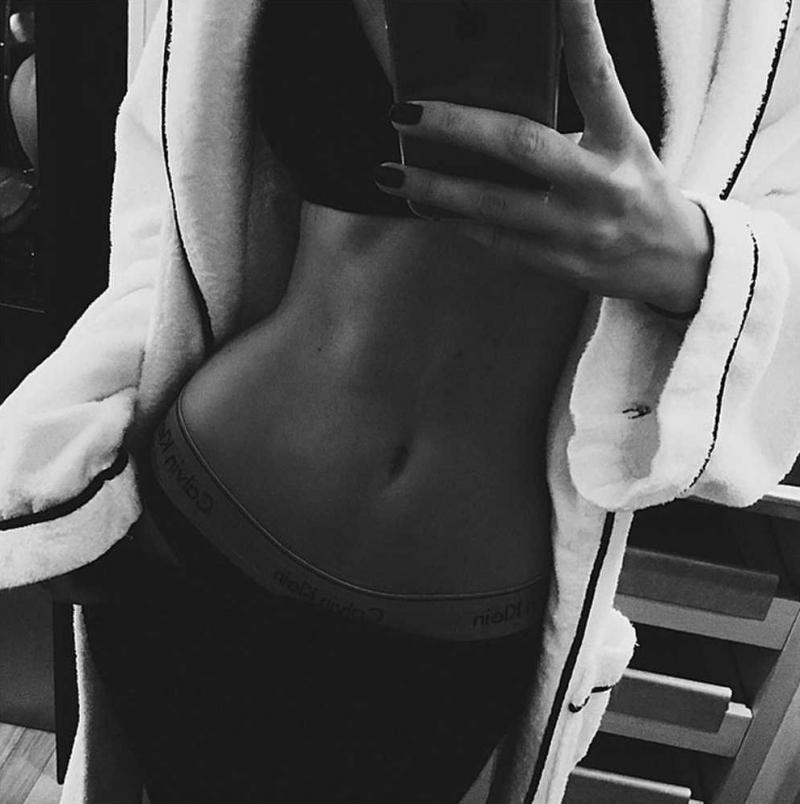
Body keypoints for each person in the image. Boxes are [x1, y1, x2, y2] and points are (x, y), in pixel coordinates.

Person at [1, 0, 799, 802]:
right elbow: (163, 218)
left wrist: (695, 258)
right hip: (212, 520)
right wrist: (72, 467)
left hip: (463, 618)